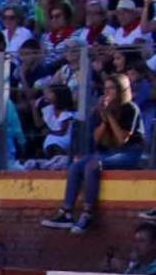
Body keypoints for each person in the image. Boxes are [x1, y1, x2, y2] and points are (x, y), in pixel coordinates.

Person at [41, 72, 145, 235]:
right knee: (76, 166)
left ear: (121, 90)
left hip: (129, 152)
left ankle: (88, 213)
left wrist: (110, 117)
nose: (108, 92)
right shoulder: (103, 109)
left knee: (92, 165)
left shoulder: (130, 108)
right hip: (107, 152)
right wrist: (104, 118)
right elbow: (97, 139)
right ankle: (66, 212)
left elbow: (121, 140)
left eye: (112, 89)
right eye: (106, 89)